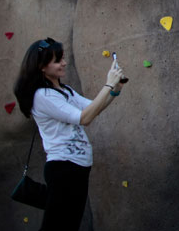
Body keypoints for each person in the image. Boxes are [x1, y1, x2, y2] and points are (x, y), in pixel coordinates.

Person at [14, 37, 125, 230]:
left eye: (62, 58)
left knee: (69, 225)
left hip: (78, 168)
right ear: (42, 66)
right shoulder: (43, 96)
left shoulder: (64, 90)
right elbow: (85, 118)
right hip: (63, 169)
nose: (64, 63)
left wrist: (114, 91)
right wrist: (107, 86)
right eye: (57, 60)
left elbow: (93, 109)